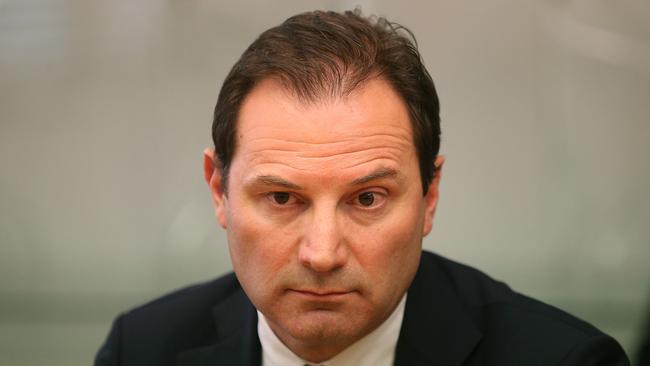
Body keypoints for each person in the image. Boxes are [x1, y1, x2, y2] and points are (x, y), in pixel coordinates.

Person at [95, 9, 629, 366]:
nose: (323, 254)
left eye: (366, 199)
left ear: (429, 196)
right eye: (282, 198)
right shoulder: (142, 351)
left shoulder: (564, 361)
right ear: (219, 191)